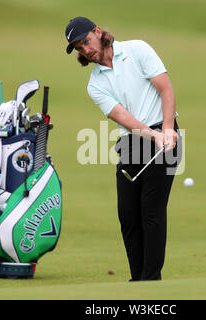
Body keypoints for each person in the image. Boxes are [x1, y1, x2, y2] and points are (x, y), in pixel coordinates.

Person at [65, 17, 182, 281]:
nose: (86, 50)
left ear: (98, 32)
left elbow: (166, 90)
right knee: (128, 215)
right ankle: (137, 278)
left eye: (86, 41)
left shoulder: (137, 50)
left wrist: (166, 129)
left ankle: (150, 280)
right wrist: (152, 135)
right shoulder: (95, 84)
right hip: (134, 142)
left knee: (151, 213)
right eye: (79, 48)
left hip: (166, 136)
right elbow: (122, 118)